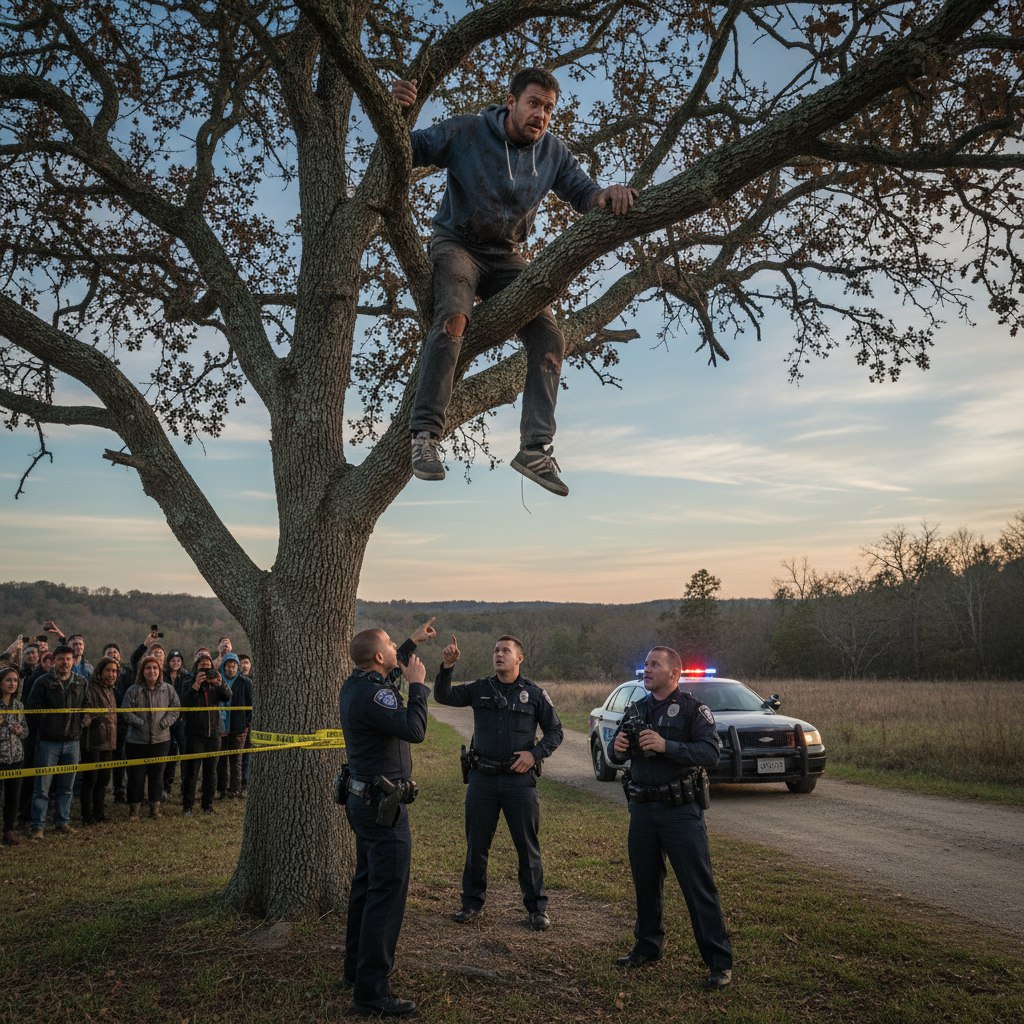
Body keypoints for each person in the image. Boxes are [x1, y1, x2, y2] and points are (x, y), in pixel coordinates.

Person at [392, 67, 638, 497]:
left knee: (550, 337)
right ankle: (426, 435)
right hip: (457, 245)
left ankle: (535, 450)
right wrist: (396, 113)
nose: (541, 114)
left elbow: (584, 193)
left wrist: (607, 194)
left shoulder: (553, 152)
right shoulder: (468, 131)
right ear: (511, 102)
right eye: (533, 103)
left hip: (505, 257)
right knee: (454, 318)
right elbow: (409, 149)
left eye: (548, 108)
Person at [609, 646, 733, 990]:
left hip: (680, 812)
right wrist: (617, 748)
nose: (647, 670)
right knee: (646, 883)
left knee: (697, 887)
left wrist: (667, 746)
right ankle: (647, 947)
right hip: (642, 810)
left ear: (674, 673)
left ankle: (719, 962)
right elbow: (614, 754)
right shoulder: (637, 708)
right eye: (646, 664)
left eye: (655, 664)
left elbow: (711, 752)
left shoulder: (693, 709)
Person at [338, 618, 436, 1018]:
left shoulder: (356, 684)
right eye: (392, 644)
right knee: (386, 894)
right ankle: (372, 992)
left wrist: (412, 641)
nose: (397, 648)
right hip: (382, 807)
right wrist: (418, 687)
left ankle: (355, 970)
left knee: (366, 885)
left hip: (362, 800)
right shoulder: (375, 695)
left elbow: (389, 671)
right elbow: (414, 729)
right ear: (378, 657)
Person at [433, 633, 562, 930]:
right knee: (476, 845)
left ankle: (536, 908)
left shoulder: (534, 694)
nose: (499, 654)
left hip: (519, 782)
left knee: (527, 847)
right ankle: (471, 903)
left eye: (505, 650)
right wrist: (447, 667)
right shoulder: (480, 689)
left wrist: (534, 754)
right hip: (483, 779)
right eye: (495, 650)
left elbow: (555, 731)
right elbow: (443, 696)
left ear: (519, 658)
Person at [26, 644, 87, 838]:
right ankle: (38, 826)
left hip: (73, 741)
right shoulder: (43, 682)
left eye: (68, 659)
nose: (64, 662)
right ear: (54, 661)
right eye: (60, 659)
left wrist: (85, 720)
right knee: (42, 787)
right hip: (48, 742)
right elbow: (32, 708)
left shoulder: (81, 682)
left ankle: (62, 822)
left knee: (67, 787)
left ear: (73, 661)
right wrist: (46, 722)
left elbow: (88, 706)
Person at [122, 653, 180, 820]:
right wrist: (139, 722)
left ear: (159, 671)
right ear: (142, 671)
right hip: (136, 741)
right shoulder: (133, 690)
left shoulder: (168, 689)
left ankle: (155, 810)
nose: (152, 671)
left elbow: (175, 708)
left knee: (157, 776)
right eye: (148, 668)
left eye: (155, 668)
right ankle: (134, 810)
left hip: (161, 740)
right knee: (136, 776)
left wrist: (164, 723)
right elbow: (125, 711)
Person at [180, 654, 232, 816]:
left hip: (214, 734)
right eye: (202, 667)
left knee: (211, 772)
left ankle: (207, 805)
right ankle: (187, 806)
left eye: (209, 668)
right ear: (196, 667)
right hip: (195, 734)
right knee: (192, 772)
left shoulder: (215, 684)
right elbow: (183, 704)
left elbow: (228, 696)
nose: (206, 671)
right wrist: (196, 685)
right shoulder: (188, 682)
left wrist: (220, 682)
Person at [79, 655, 119, 825]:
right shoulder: (90, 688)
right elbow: (86, 713)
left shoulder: (111, 690)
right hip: (93, 742)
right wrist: (94, 715)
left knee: (104, 779)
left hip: (109, 741)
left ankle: (99, 813)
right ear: (100, 671)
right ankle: (87, 816)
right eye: (108, 670)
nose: (111, 674)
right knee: (91, 780)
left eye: (114, 671)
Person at [216, 653, 251, 799]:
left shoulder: (245, 682)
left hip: (239, 727)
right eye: (228, 666)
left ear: (237, 667)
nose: (230, 669)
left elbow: (250, 704)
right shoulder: (218, 681)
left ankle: (235, 789)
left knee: (236, 760)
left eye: (233, 666)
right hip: (221, 726)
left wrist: (246, 723)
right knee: (221, 760)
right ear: (223, 667)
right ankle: (221, 789)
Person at [0, 665, 27, 844]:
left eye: (15, 680)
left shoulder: (19, 705)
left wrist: (18, 730)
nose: (12, 683)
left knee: (13, 796)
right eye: (8, 680)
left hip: (16, 757)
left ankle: (9, 831)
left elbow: (26, 732)